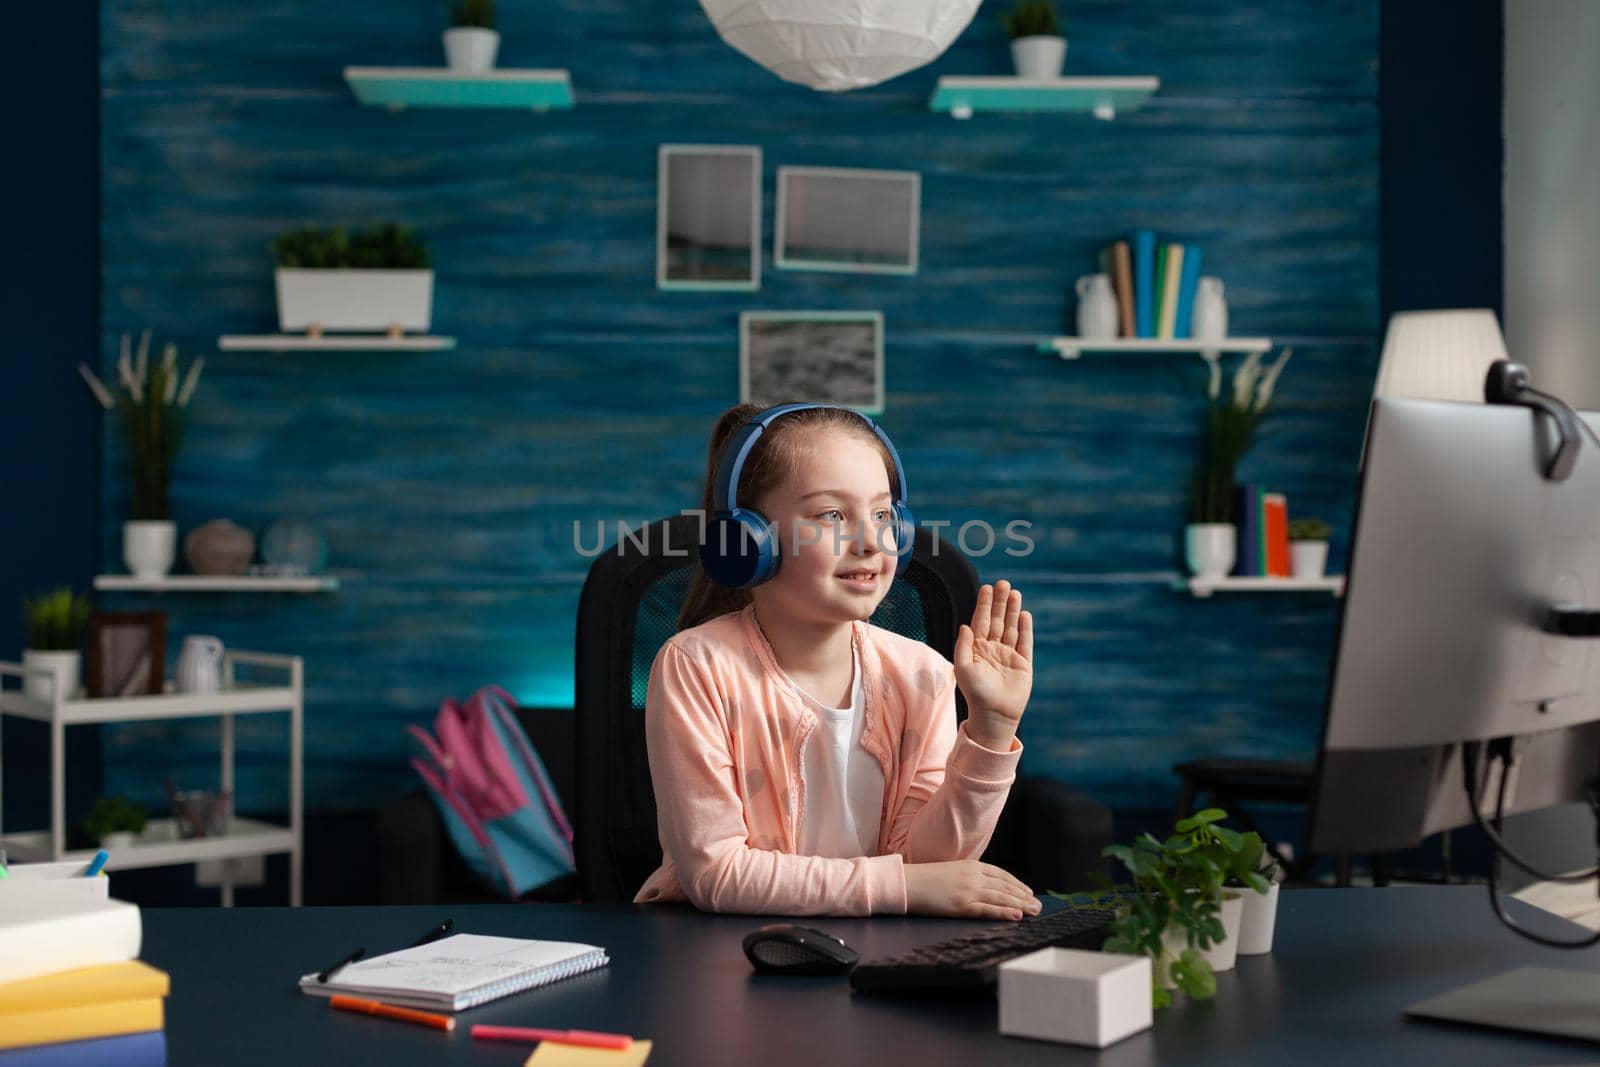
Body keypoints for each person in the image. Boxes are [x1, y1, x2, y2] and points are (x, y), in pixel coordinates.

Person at [633, 402, 1042, 918]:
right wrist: (902, 888)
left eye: (882, 514)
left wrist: (990, 728)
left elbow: (931, 864)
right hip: (726, 954)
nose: (872, 541)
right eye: (831, 515)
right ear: (749, 538)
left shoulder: (924, 674)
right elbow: (718, 873)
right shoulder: (697, 666)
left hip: (877, 954)